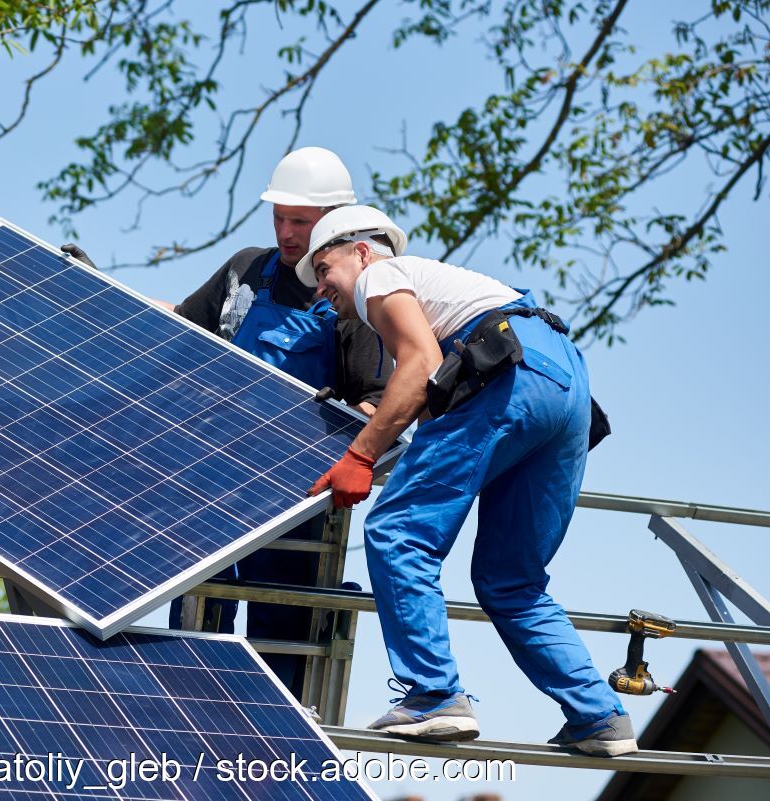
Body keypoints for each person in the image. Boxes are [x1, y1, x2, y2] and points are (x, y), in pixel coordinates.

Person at [296, 204, 635, 756]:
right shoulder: (444, 290)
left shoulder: (380, 277)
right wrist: (383, 428)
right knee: (511, 580)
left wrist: (360, 454)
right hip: (562, 382)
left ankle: (433, 695)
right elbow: (435, 393)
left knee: (398, 533)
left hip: (511, 374)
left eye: (325, 269)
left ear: (361, 251)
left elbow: (419, 361)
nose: (321, 289)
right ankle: (599, 717)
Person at [163, 148, 394, 696]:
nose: (288, 233)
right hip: (211, 486)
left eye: (301, 222)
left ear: (335, 223)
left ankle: (273, 760)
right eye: (280, 217)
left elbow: (377, 401)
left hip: (294, 507)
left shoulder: (351, 297)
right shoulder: (247, 269)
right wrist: (98, 291)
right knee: (195, 633)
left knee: (279, 656)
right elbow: (176, 326)